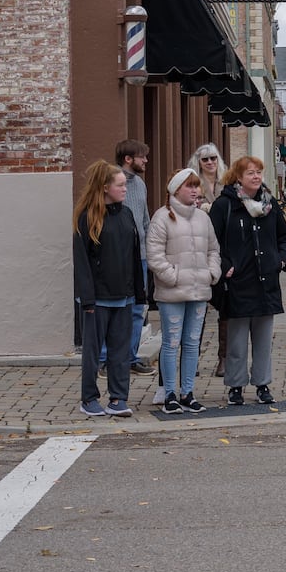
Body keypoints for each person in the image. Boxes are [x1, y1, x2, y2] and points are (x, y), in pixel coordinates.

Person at [210, 156, 286, 405]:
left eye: (258, 172)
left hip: (266, 281)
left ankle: (262, 384)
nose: (256, 177)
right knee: (236, 341)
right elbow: (211, 241)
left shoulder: (270, 204)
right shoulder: (225, 205)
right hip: (238, 283)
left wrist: (280, 260)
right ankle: (235, 386)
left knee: (264, 339)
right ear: (238, 177)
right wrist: (226, 266)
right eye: (250, 173)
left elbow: (283, 236)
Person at [72, 160, 145, 418]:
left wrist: (138, 292)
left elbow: (135, 256)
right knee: (93, 353)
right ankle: (89, 399)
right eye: (121, 185)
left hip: (124, 297)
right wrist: (88, 300)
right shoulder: (87, 218)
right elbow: (82, 262)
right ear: (105, 188)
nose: (125, 189)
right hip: (98, 300)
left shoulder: (126, 215)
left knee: (120, 352)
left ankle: (118, 398)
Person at [146, 169, 221, 414]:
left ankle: (188, 392)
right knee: (171, 342)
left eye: (197, 186)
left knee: (191, 344)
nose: (195, 191)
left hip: (199, 291)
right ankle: (169, 393)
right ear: (176, 190)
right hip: (172, 293)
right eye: (190, 186)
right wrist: (173, 277)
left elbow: (213, 250)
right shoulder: (162, 218)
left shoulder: (202, 219)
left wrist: (212, 273)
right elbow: (155, 256)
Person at [187, 141, 231, 378]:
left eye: (213, 158)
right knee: (198, 307)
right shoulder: (193, 184)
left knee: (225, 305)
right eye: (205, 159)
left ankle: (223, 359)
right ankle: (191, 360)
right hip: (198, 250)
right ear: (198, 162)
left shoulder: (227, 182)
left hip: (223, 250)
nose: (210, 163)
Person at [113, 139, 153, 375]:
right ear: (129, 159)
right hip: (118, 258)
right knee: (116, 308)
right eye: (142, 157)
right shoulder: (110, 181)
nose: (146, 160)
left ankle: (130, 357)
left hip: (140, 258)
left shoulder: (139, 183)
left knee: (138, 308)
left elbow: (145, 220)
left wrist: (148, 252)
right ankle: (108, 360)